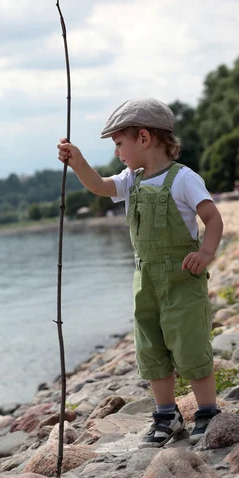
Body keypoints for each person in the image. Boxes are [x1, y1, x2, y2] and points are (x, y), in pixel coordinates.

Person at [57, 98, 224, 448]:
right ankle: (167, 413)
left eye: (120, 144)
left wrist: (206, 252)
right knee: (150, 345)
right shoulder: (130, 180)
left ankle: (207, 410)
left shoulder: (183, 179)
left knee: (189, 342)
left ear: (144, 138)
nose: (118, 153)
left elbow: (212, 217)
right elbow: (99, 186)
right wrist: (77, 162)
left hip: (181, 278)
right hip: (145, 279)